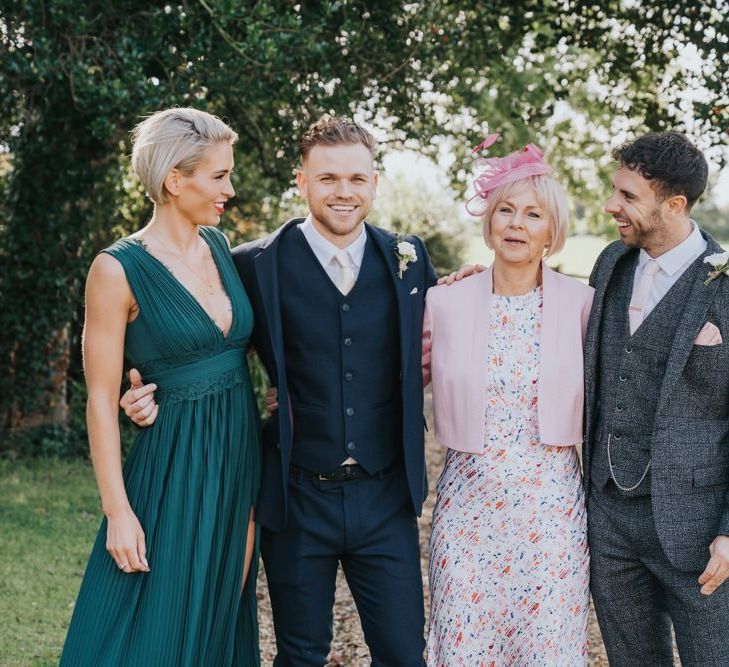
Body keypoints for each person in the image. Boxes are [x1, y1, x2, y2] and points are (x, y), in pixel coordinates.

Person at [123, 116, 438, 666]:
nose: (344, 192)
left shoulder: (408, 260)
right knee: (299, 655)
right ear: (302, 181)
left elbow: (445, 344)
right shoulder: (251, 265)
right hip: (295, 497)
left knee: (405, 654)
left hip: (385, 496)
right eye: (328, 178)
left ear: (375, 183)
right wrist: (146, 395)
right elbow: (206, 348)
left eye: (357, 179)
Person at [60, 107, 261, 666]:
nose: (230, 188)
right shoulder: (116, 269)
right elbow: (101, 398)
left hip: (238, 465)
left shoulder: (219, 248)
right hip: (173, 466)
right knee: (153, 627)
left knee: (217, 622)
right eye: (219, 175)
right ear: (176, 180)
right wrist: (118, 511)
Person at [423, 135, 592, 666]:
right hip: (468, 514)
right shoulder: (443, 301)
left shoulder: (583, 305)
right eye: (507, 211)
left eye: (533, 215)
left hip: (551, 515)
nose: (517, 224)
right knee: (465, 647)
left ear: (552, 231)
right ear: (490, 221)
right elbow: (393, 384)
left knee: (549, 650)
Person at [585, 131, 729, 665]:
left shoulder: (724, 284)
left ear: (674, 205)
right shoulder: (610, 264)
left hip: (697, 530)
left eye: (627, 197)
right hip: (608, 516)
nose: (611, 205)